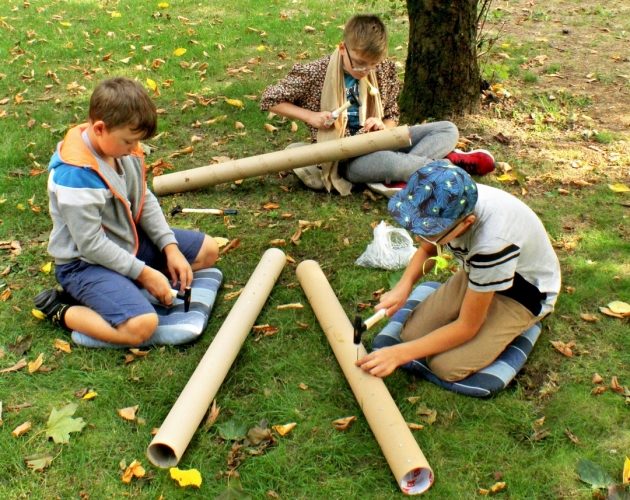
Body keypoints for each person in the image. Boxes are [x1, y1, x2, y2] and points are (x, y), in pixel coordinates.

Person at [33, 77, 219, 346]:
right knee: (142, 326)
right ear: (99, 128)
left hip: (129, 243)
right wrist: (144, 273)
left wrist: (170, 248)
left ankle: (121, 290)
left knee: (208, 250)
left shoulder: (123, 147)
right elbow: (91, 245)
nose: (134, 149)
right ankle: (63, 309)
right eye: (129, 142)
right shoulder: (75, 175)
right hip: (85, 265)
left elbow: (143, 198)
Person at [356, 161, 561, 380]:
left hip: (524, 293)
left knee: (446, 366)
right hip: (479, 274)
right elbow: (429, 248)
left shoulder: (492, 245)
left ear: (466, 224)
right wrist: (404, 286)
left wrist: (399, 354)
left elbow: (467, 327)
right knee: (411, 334)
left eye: (429, 230)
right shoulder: (452, 197)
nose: (419, 237)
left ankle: (519, 323)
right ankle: (482, 310)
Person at [260, 14, 495, 196]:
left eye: (372, 65)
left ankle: (410, 172)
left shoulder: (382, 70)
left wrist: (383, 125)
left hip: (380, 141)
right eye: (360, 64)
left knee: (446, 129)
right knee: (391, 161)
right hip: (347, 158)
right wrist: (311, 117)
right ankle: (447, 164)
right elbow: (270, 99)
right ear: (343, 49)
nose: (366, 72)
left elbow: (391, 115)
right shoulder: (316, 72)